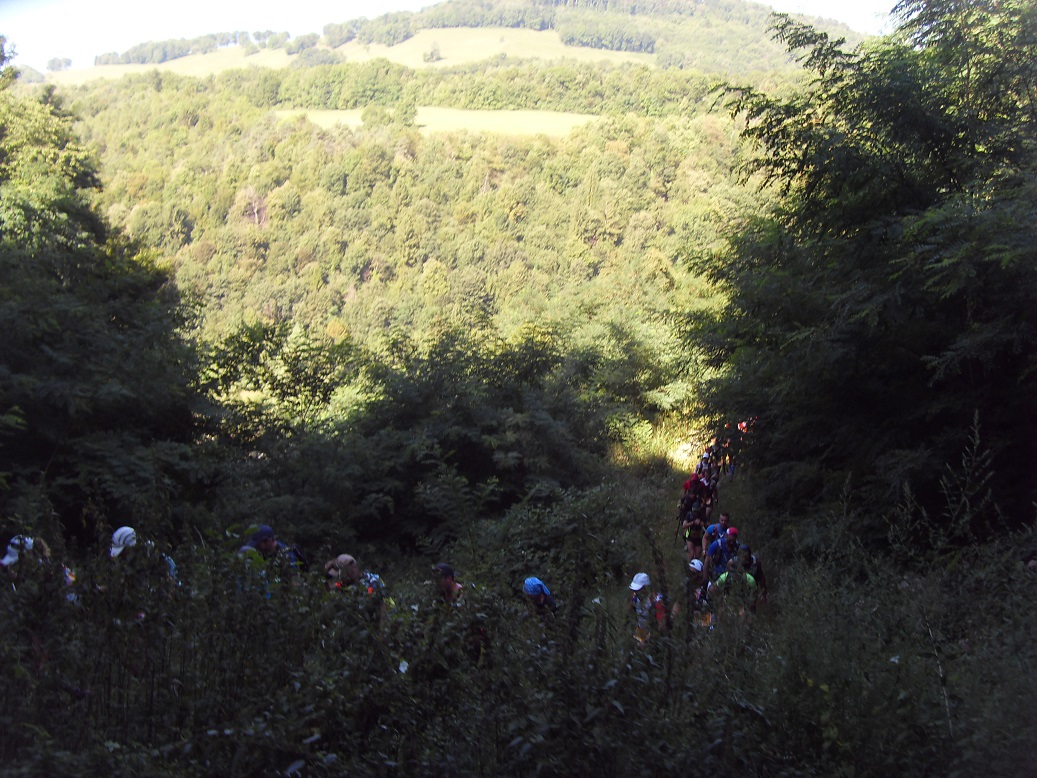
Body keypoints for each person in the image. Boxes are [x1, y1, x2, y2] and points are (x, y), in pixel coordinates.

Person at [325, 553, 388, 624]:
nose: (341, 578)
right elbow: (336, 585)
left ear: (351, 570)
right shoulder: (350, 581)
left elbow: (378, 605)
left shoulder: (371, 582)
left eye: (342, 574)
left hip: (387, 619)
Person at [629, 572, 668, 644]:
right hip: (641, 630)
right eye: (635, 590)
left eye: (638, 590)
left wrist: (649, 639)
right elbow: (630, 612)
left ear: (646, 588)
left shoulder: (656, 600)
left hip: (654, 635)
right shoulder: (635, 597)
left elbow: (662, 625)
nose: (636, 592)